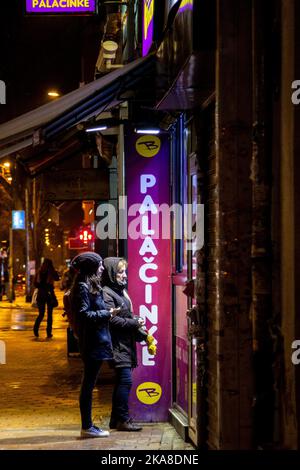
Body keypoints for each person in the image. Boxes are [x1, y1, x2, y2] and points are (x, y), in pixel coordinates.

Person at [70, 251, 121, 438]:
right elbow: (84, 315)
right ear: (91, 267)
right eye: (99, 265)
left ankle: (88, 426)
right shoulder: (82, 287)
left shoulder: (90, 285)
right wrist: (107, 314)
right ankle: (87, 426)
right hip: (92, 342)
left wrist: (106, 311)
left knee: (89, 384)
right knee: (88, 385)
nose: (101, 268)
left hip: (97, 340)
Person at [102, 257, 145, 432]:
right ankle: (123, 419)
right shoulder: (107, 293)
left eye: (124, 271)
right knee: (125, 381)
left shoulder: (118, 291)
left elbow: (124, 315)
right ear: (111, 274)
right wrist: (135, 323)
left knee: (122, 381)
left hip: (125, 343)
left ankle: (115, 419)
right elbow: (112, 321)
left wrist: (135, 320)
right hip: (117, 345)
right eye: (120, 272)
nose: (124, 275)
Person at [33, 258, 59, 339]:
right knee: (49, 315)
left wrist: (41, 286)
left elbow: (35, 284)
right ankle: (48, 332)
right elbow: (57, 278)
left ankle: (36, 329)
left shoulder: (39, 271)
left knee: (41, 314)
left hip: (41, 294)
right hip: (49, 294)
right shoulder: (51, 272)